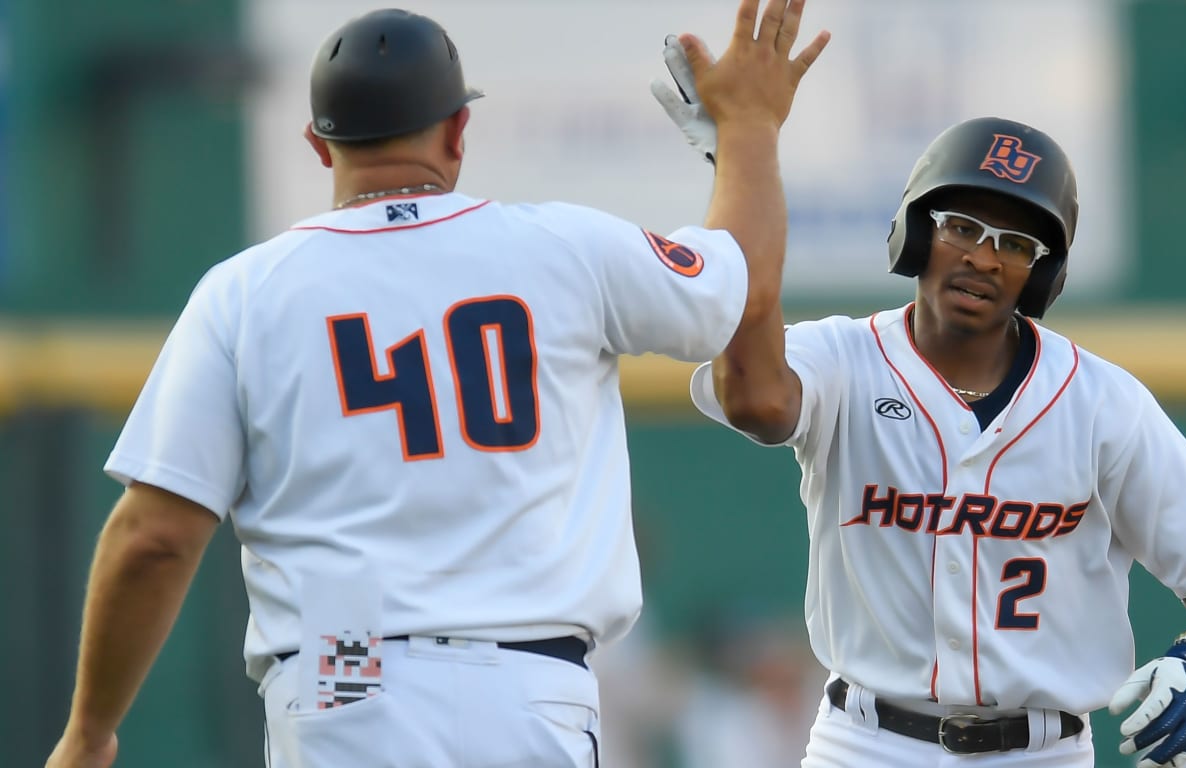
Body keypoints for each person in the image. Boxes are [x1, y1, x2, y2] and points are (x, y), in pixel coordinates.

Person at [44, 3, 829, 767]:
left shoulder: (244, 291)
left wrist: (91, 731)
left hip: (340, 669)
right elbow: (744, 284)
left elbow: (153, 539)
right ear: (458, 131)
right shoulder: (562, 248)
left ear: (320, 145)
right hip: (529, 677)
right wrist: (747, 134)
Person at [662, 108, 1186, 766]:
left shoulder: (1100, 402)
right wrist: (743, 170)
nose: (984, 258)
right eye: (963, 228)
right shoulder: (841, 360)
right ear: (917, 232)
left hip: (1041, 752)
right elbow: (757, 401)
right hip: (866, 745)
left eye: (1016, 244)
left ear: (1042, 273)